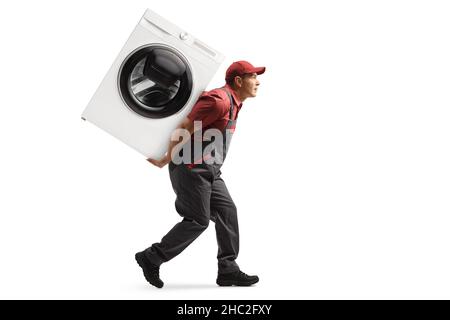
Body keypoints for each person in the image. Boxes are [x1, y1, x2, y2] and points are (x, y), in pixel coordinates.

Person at [135, 60, 265, 288]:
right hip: (190, 168)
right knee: (198, 220)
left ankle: (228, 270)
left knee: (227, 211)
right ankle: (151, 257)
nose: (258, 81)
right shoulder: (219, 101)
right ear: (238, 80)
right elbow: (184, 127)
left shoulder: (236, 103)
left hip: (210, 170)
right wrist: (166, 158)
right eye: (253, 77)